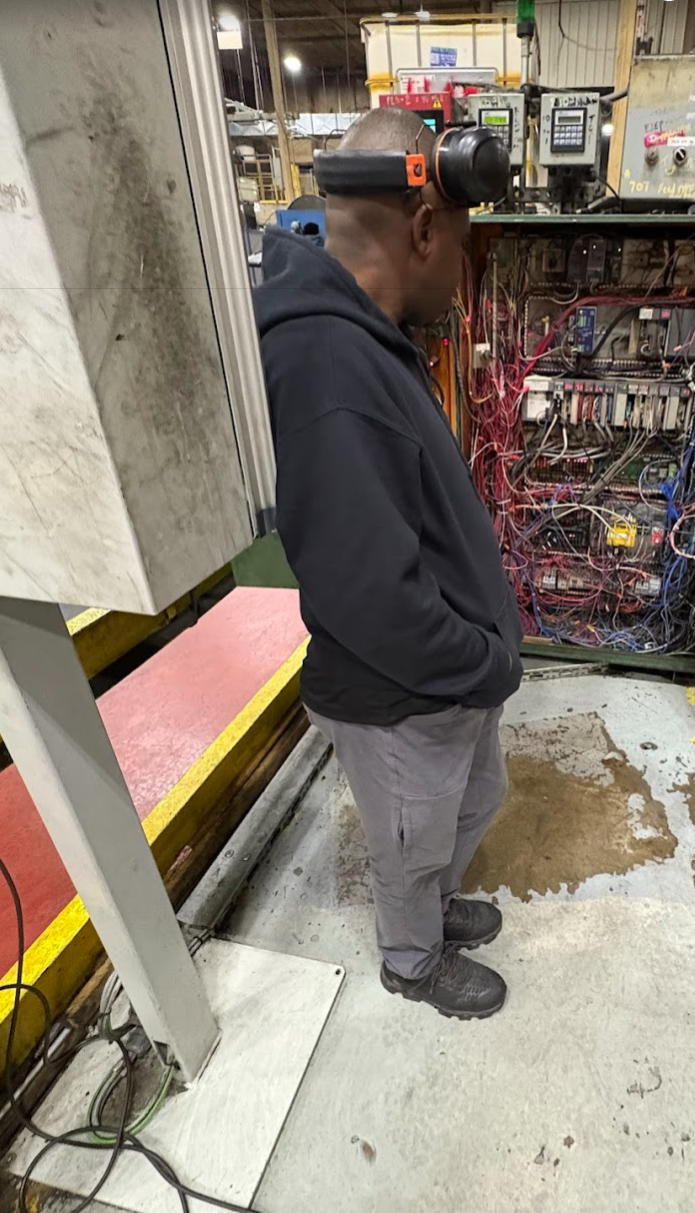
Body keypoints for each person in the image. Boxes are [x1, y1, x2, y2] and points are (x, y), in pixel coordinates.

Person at [253, 108, 523, 1021]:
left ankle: (434, 913)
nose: (462, 273)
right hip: (404, 692)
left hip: (444, 684)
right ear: (421, 226)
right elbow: (372, 596)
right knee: (410, 842)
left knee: (470, 804)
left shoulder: (367, 335)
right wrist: (484, 662)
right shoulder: (328, 362)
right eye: (462, 246)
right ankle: (412, 960)